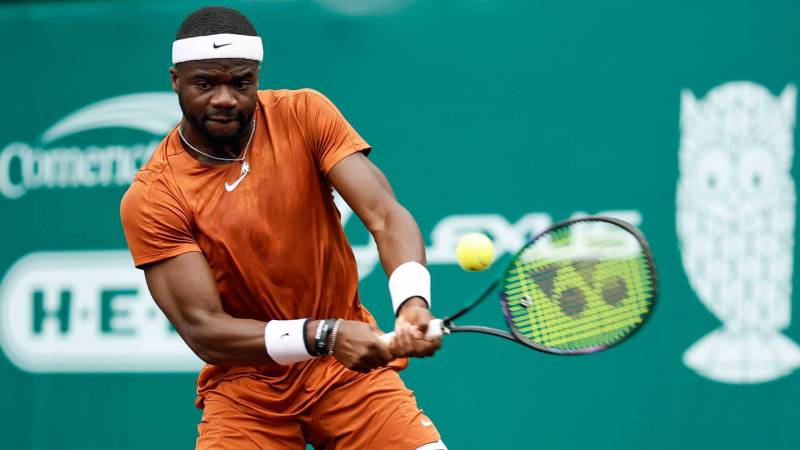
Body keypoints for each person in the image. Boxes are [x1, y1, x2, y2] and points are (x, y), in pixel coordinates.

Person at [120, 6, 447, 450]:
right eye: (205, 83)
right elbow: (205, 329)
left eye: (240, 82)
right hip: (247, 394)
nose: (224, 98)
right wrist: (323, 335)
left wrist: (412, 302)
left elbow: (385, 215)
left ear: (256, 77)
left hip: (346, 378)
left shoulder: (305, 113)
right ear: (176, 79)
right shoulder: (155, 196)